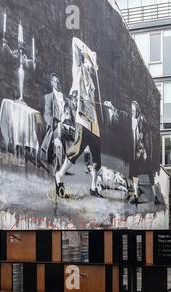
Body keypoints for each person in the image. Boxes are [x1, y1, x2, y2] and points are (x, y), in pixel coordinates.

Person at [54, 37, 102, 198]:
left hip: (93, 121)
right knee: (77, 149)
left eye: (91, 62)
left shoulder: (92, 82)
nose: (90, 65)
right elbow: (74, 40)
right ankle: (59, 175)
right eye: (88, 61)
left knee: (97, 156)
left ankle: (94, 187)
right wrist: (87, 51)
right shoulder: (78, 69)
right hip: (82, 118)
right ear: (84, 59)